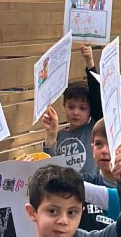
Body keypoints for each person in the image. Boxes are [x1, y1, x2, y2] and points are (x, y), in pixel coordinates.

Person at [42, 44, 104, 176]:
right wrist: (51, 134)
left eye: (82, 108)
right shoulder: (60, 136)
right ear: (64, 106)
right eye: (71, 107)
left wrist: (90, 63)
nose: (76, 112)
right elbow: (49, 166)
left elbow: (98, 99)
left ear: (91, 110)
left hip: (88, 194)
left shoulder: (93, 130)